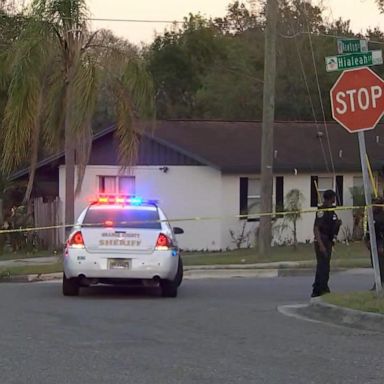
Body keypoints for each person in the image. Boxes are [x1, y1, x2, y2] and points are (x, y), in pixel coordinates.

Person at [311, 189, 342, 298]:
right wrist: (321, 245)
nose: (335, 199)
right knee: (322, 266)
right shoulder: (321, 211)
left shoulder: (331, 211)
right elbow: (316, 229)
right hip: (322, 241)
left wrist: (338, 224)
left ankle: (323, 287)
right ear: (330, 198)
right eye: (334, 197)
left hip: (328, 241)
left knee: (326, 266)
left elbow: (333, 228)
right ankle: (318, 289)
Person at [365, 197, 384, 290]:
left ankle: (380, 284)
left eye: (375, 204)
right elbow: (369, 230)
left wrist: (381, 246)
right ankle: (378, 282)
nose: (372, 206)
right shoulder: (371, 216)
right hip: (373, 242)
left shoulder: (382, 216)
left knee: (380, 264)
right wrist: (367, 241)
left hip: (380, 243)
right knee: (374, 263)